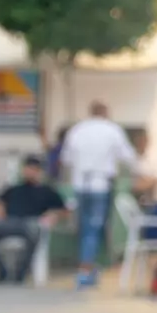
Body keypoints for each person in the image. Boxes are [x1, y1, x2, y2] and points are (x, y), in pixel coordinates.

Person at [60, 101, 140, 288]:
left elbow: (66, 159)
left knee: (85, 228)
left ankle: (88, 266)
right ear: (106, 113)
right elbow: (128, 157)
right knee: (93, 229)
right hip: (100, 185)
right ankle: (86, 270)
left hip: (80, 185)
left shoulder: (77, 130)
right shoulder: (112, 130)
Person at [0, 155, 66, 284]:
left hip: (31, 223)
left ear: (39, 171)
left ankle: (20, 272)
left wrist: (52, 215)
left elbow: (62, 210)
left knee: (35, 231)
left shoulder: (47, 191)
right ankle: (2, 270)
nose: (29, 172)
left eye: (33, 169)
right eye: (27, 169)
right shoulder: (14, 189)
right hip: (9, 222)